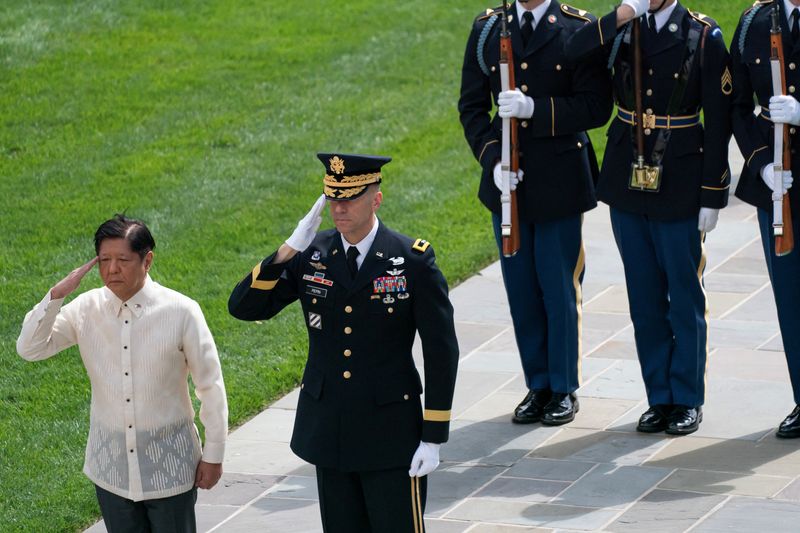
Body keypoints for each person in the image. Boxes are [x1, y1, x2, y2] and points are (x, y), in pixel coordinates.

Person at [228, 153, 459, 533]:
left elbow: (441, 350)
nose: (339, 208)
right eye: (333, 198)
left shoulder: (411, 260)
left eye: (349, 198)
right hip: (329, 432)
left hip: (390, 434)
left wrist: (433, 437)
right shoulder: (312, 255)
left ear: (376, 199)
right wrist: (287, 250)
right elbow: (244, 308)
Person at [564, 0, 732, 435]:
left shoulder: (702, 34)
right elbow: (572, 51)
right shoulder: (622, 28)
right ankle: (659, 396)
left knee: (683, 293)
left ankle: (687, 398)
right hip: (628, 177)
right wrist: (621, 15)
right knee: (644, 297)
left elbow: (718, 118)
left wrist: (713, 193)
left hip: (679, 177)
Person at [16, 215, 228, 533]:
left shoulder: (182, 312)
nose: (112, 269)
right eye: (104, 260)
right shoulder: (84, 309)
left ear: (147, 260)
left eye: (122, 260)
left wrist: (214, 454)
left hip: (170, 470)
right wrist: (57, 295)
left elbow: (210, 385)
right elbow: (30, 348)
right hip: (111, 471)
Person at [458, 0, 613, 425]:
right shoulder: (489, 28)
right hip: (507, 185)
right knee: (522, 290)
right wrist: (492, 160)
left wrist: (534, 110)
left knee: (558, 287)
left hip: (560, 180)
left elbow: (595, 107)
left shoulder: (575, 29)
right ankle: (538, 384)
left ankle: (563, 387)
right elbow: (472, 107)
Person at [731, 0, 800, 438]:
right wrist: (762, 165)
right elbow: (737, 105)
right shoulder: (754, 22)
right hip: (777, 184)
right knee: (790, 296)